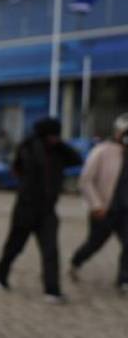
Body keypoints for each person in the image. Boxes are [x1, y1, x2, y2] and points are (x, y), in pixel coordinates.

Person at [0, 118, 82, 302]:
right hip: (25, 209)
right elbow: (17, 168)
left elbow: (77, 159)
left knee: (51, 250)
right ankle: (0, 276)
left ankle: (52, 290)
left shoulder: (59, 151)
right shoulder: (28, 148)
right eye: (52, 136)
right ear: (43, 135)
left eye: (57, 136)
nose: (55, 139)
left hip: (48, 211)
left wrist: (61, 145)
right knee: (15, 247)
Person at [69, 113, 128, 291]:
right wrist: (96, 205)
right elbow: (85, 180)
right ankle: (76, 261)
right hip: (104, 209)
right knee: (95, 243)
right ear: (118, 132)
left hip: (125, 210)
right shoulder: (102, 151)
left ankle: (124, 279)